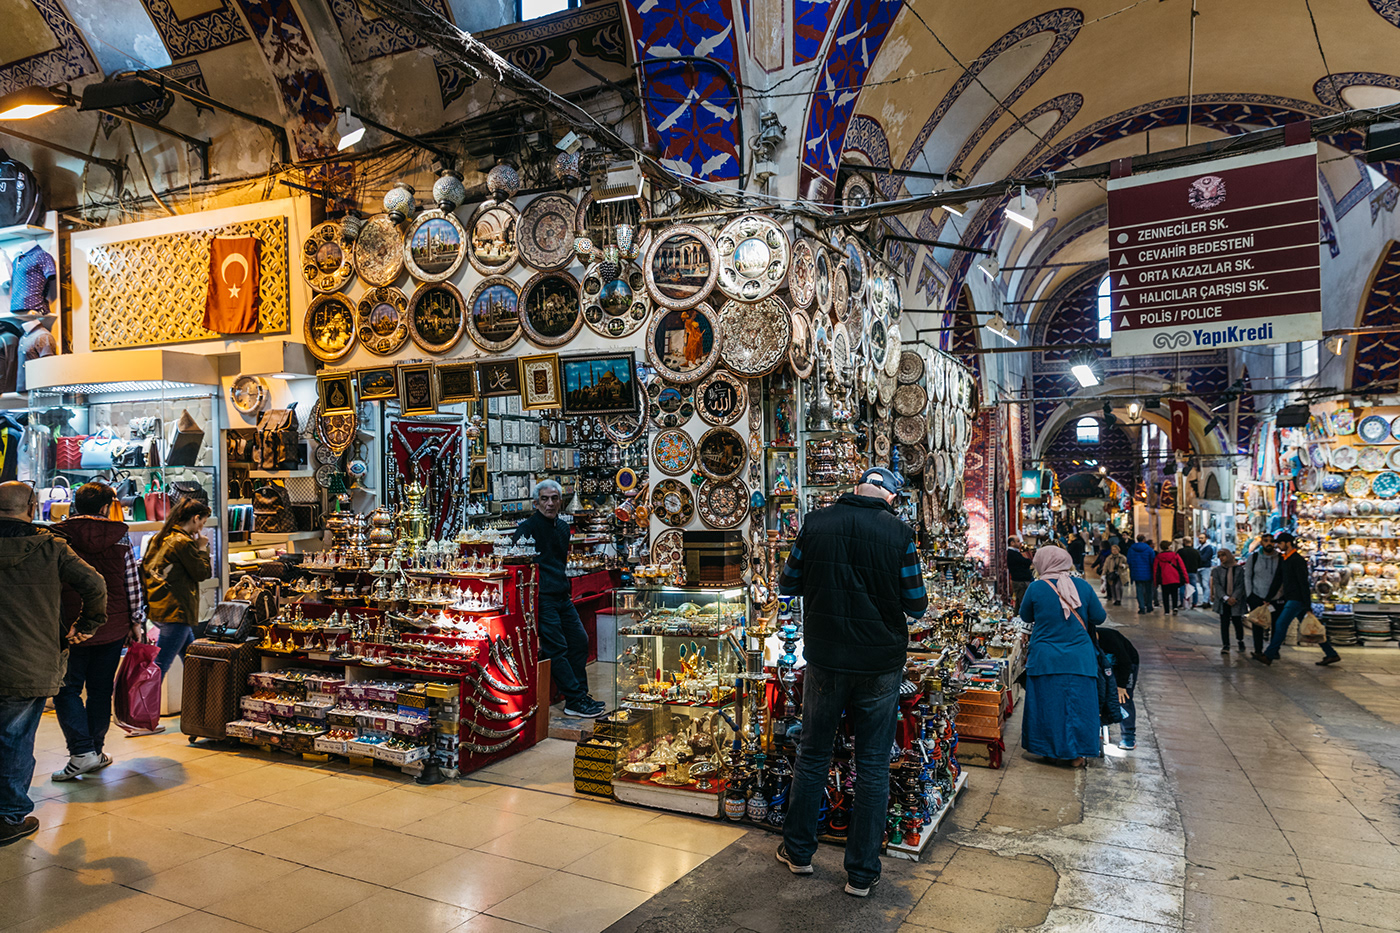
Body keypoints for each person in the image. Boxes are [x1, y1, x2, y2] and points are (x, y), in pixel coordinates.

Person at [776, 467, 927, 897]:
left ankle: (800, 853)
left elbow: (788, 583)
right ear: (890, 498)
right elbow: (916, 604)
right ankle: (861, 874)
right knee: (874, 765)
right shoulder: (898, 534)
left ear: (855, 488)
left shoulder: (817, 522)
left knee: (813, 753)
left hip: (825, 658)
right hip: (879, 664)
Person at [0, 481, 107, 846]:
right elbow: (94, 585)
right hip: (29, 661)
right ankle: (9, 816)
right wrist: (87, 625)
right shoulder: (50, 547)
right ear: (32, 505)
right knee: (14, 740)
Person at [50, 483, 145, 779]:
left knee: (67, 689)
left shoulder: (58, 536)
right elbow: (132, 583)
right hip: (112, 625)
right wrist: (137, 620)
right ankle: (95, 750)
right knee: (101, 690)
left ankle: (82, 752)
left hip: (70, 626)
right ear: (106, 507)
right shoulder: (120, 536)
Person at [512, 480, 604, 718]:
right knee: (557, 648)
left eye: (554, 498)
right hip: (541, 598)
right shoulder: (526, 530)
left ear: (561, 501)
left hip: (562, 596)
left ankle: (579, 696)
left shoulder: (563, 528)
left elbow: (560, 564)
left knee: (580, 641)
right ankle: (574, 699)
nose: (550, 503)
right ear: (536, 502)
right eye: (544, 499)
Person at [1018, 546, 1104, 767]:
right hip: (1079, 659)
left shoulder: (1036, 588)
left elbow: (1025, 615)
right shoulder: (1083, 586)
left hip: (1046, 658)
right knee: (1079, 708)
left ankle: (1049, 751)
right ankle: (1077, 754)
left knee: (1048, 707)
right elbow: (1099, 617)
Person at [141, 497, 212, 687]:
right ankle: (141, 711)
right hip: (176, 612)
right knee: (159, 667)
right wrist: (203, 549)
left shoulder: (159, 537)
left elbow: (146, 569)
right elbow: (202, 573)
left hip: (159, 607)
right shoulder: (182, 542)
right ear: (195, 518)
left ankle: (198, 705)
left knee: (192, 661)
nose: (201, 528)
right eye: (203, 522)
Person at [1262, 532, 1340, 666]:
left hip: (1296, 600)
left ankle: (1269, 655)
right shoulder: (1285, 559)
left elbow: (1303, 583)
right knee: (1312, 627)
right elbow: (1278, 580)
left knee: (1281, 624)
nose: (1278, 546)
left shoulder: (1297, 560)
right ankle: (1331, 653)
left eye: (1280, 543)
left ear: (1287, 543)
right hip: (1292, 599)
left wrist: (1307, 604)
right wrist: (1269, 597)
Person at [1096, 627, 1139, 750]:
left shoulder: (1110, 638)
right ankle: (1104, 728)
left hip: (1128, 664)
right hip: (1106, 665)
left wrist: (1121, 686)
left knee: (1123, 698)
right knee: (1102, 694)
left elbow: (1125, 662)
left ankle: (1128, 737)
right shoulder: (1088, 643)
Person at [1243, 533, 1280, 662]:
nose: (1268, 543)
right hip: (1257, 595)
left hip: (1275, 598)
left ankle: (1273, 651)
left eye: (1271, 541)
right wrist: (1249, 595)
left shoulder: (1280, 559)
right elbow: (1247, 576)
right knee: (1257, 624)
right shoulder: (1253, 558)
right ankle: (1258, 650)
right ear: (1262, 543)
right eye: (1266, 541)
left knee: (1276, 624)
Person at [1210, 548, 1248, 654]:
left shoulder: (1239, 570)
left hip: (1237, 600)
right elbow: (1217, 586)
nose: (1221, 558)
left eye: (1223, 555)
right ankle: (1225, 645)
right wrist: (1225, 598)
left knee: (1237, 622)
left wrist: (1234, 597)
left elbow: (1241, 585)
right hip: (1224, 601)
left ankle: (1240, 640)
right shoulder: (1217, 570)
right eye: (1219, 556)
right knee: (1224, 623)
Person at [1153, 540, 1188, 615]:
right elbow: (1182, 567)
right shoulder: (1175, 555)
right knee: (1174, 593)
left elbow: (1155, 570)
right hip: (1175, 577)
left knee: (1165, 595)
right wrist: (1186, 579)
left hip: (1164, 578)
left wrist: (1155, 581)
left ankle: (1166, 611)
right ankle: (1175, 607)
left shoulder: (1158, 557)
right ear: (1168, 546)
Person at [1127, 535, 1156, 614]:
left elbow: (1129, 560)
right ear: (1144, 539)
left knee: (1139, 590)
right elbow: (1152, 561)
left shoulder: (1131, 549)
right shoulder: (1149, 549)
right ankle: (1149, 606)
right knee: (1149, 590)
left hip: (1136, 572)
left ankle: (1142, 607)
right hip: (1148, 572)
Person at [1007, 536, 1033, 610]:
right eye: (1018, 541)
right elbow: (1026, 562)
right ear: (1012, 543)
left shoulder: (1015, 553)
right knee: (1023, 601)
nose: (1020, 543)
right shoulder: (1012, 554)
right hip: (1020, 581)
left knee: (1019, 601)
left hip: (1021, 580)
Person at [1177, 537, 1202, 608]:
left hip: (1182, 572)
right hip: (1193, 572)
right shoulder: (1196, 551)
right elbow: (1200, 562)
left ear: (1184, 542)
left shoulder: (1180, 551)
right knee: (1194, 588)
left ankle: (1183, 602)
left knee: (1182, 587)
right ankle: (1194, 603)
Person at [1195, 533, 1216, 609]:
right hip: (1199, 568)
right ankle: (1205, 600)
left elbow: (1204, 558)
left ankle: (1205, 601)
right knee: (1202, 585)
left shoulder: (1208, 548)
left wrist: (1197, 558)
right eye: (1199, 538)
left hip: (1205, 568)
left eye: (1202, 538)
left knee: (1205, 584)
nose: (1200, 540)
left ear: (1206, 539)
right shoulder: (1199, 548)